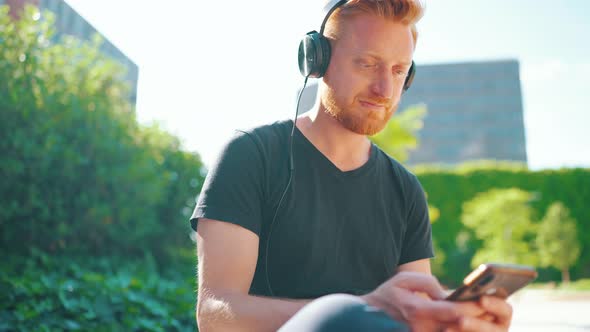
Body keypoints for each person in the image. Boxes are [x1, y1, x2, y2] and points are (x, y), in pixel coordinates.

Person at [190, 0, 513, 331]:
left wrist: (453, 322)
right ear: (318, 61)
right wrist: (364, 310)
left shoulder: (405, 189)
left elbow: (414, 314)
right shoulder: (250, 155)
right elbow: (215, 314)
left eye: (399, 70)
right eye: (368, 64)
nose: (385, 89)